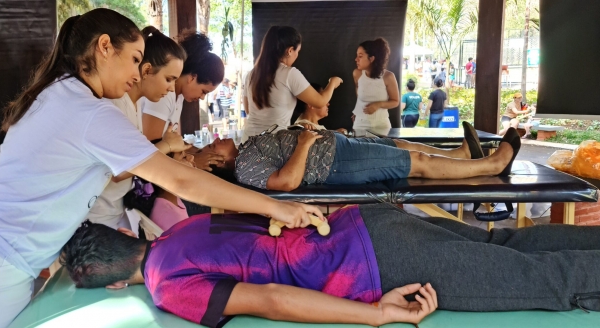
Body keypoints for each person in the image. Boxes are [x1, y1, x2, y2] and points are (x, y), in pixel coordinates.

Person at [0, 9, 323, 328]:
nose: (137, 73)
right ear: (103, 48)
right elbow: (183, 180)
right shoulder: (89, 112)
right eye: (134, 59)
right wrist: (275, 207)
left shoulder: (63, 95)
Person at [61, 203, 600, 328]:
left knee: (544, 283)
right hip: (364, 221)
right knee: (506, 242)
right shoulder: (179, 228)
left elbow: (271, 298)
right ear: (127, 233)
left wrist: (376, 316)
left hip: (376, 262)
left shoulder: (164, 285)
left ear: (113, 283)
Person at [200, 123, 520, 192]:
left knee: (403, 146)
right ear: (219, 162)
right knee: (418, 164)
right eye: (212, 147)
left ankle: (460, 155)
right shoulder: (244, 167)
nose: (216, 140)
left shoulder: (246, 153)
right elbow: (286, 182)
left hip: (337, 149)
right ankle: (493, 165)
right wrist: (305, 142)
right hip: (337, 163)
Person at [86, 26, 189, 230]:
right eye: (168, 79)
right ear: (147, 70)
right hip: (96, 218)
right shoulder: (115, 104)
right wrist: (166, 145)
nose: (171, 89)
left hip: (116, 210)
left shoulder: (135, 104)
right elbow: (120, 170)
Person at [243, 26, 343, 139]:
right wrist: (333, 83)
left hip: (248, 141)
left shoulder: (251, 75)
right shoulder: (289, 73)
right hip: (272, 145)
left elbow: (248, 110)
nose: (297, 55)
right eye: (298, 51)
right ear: (290, 51)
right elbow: (320, 102)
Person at [142, 33, 224, 139]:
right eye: (204, 91)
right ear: (192, 78)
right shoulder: (164, 94)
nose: (202, 97)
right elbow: (151, 144)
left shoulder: (179, 96)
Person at [351, 38, 399, 130]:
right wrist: (357, 111)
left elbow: (395, 101)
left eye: (360, 56)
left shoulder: (388, 76)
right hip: (360, 124)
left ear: (371, 58)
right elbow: (359, 96)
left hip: (382, 124)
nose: (356, 59)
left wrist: (378, 104)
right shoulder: (357, 74)